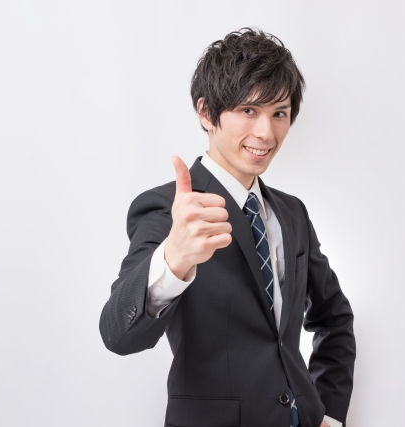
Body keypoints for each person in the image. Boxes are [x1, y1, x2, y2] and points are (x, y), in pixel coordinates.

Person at [99, 27, 356, 427]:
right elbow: (117, 334)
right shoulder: (170, 209)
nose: (266, 133)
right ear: (206, 113)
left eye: (279, 113)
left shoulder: (292, 212)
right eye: (249, 110)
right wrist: (172, 260)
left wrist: (327, 413)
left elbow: (334, 317)